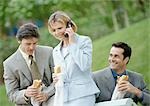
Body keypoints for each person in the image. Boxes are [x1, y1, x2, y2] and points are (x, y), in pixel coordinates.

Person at [48, 11, 100, 106]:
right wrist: (56, 78)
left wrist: (72, 42)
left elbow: (84, 66)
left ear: (69, 26)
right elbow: (63, 74)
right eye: (54, 30)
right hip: (64, 97)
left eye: (60, 28)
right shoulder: (56, 51)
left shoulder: (84, 41)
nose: (57, 33)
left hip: (83, 94)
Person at [3, 23, 55, 106]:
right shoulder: (9, 64)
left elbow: (58, 79)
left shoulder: (48, 52)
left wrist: (47, 93)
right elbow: (11, 94)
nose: (32, 47)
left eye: (34, 43)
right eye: (28, 44)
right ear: (19, 41)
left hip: (51, 99)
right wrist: (25, 93)